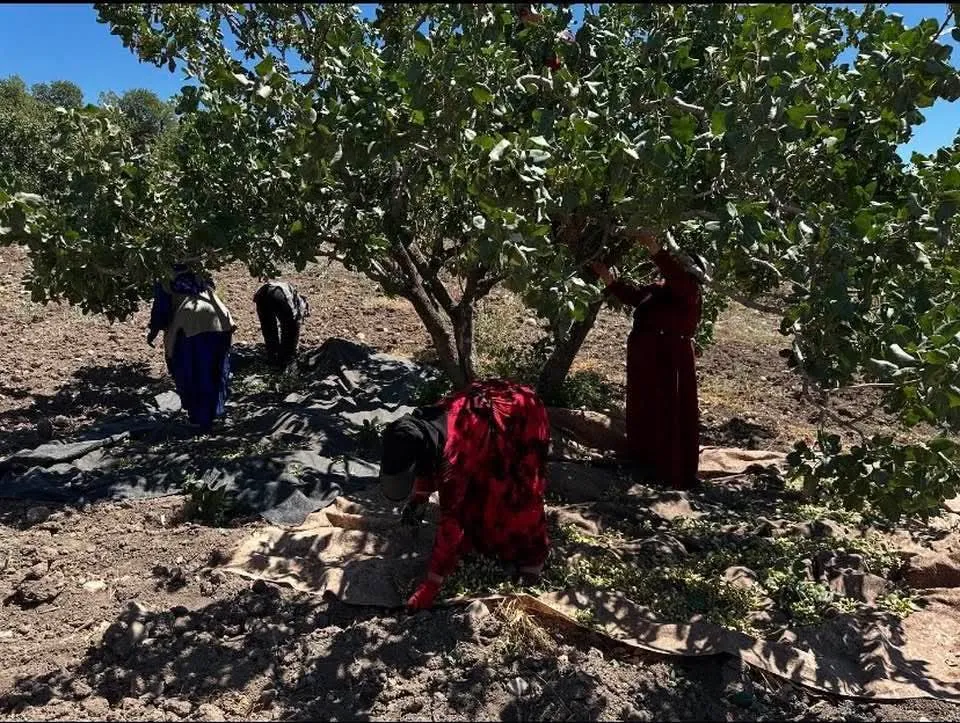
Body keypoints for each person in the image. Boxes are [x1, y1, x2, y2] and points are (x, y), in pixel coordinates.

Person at [378, 379, 551, 610]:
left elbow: (451, 521)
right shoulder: (421, 424)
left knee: (519, 495)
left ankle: (533, 561)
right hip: (485, 421)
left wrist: (431, 584)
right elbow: (425, 461)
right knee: (481, 495)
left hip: (523, 415)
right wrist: (418, 498)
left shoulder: (453, 457)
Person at [590, 232, 710, 491]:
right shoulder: (660, 290)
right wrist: (609, 279)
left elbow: (675, 276)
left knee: (669, 409)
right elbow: (634, 297)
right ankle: (645, 459)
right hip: (648, 357)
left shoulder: (688, 291)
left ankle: (671, 468)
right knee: (644, 405)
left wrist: (655, 249)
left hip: (669, 359)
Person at [147, 263, 236, 432]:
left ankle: (200, 420)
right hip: (219, 320)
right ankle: (217, 415)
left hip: (190, 325)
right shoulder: (197, 272)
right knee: (217, 369)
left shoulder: (165, 279)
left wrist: (154, 331)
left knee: (192, 372)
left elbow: (161, 311)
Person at [253, 280, 310, 370]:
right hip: (278, 294)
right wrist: (292, 350)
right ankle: (286, 359)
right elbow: (294, 326)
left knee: (268, 327)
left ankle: (272, 355)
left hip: (262, 293)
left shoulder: (293, 294)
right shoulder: (300, 303)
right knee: (290, 328)